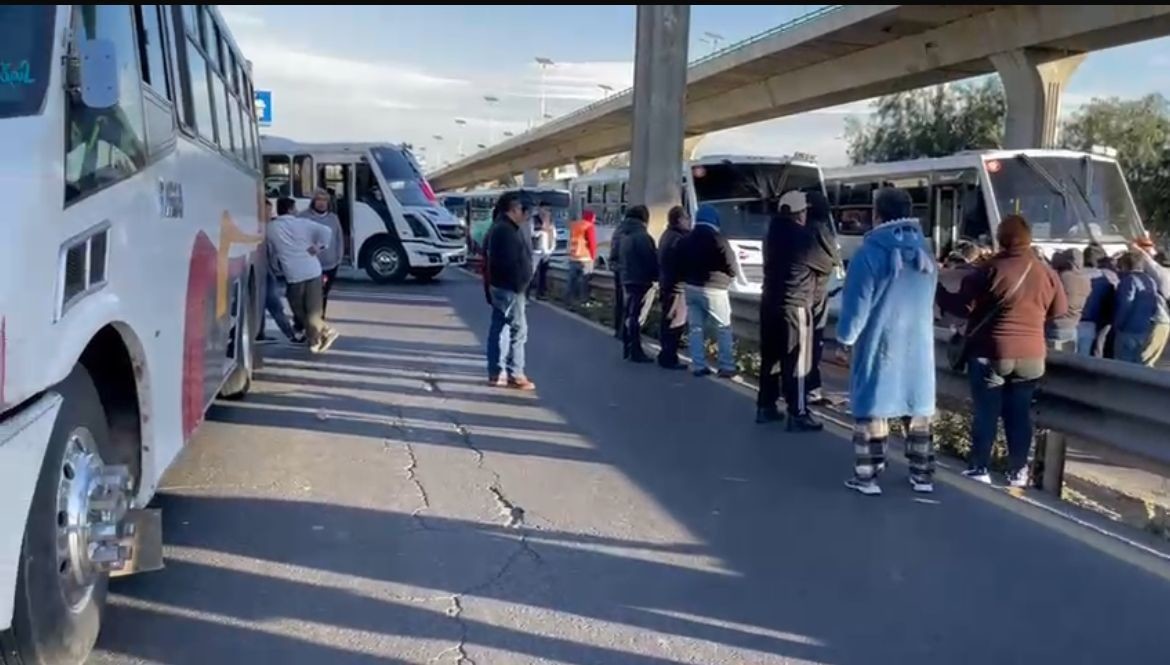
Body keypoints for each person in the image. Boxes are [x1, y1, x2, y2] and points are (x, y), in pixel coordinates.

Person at [937, 214, 1067, 488]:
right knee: (1019, 414)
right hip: (1032, 355)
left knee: (987, 411)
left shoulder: (989, 269)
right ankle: (1018, 472)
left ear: (1001, 239)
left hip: (992, 351)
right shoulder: (1046, 272)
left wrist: (936, 288)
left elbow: (960, 306)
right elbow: (1060, 311)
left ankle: (979, 467)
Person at [837, 188, 939, 495]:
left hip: (880, 341)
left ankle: (868, 475)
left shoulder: (869, 253)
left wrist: (845, 338)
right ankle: (922, 476)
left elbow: (857, 305)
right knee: (917, 406)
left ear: (876, 214)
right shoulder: (926, 252)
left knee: (873, 404)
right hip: (918, 344)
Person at [756, 191, 835, 431]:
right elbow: (828, 263)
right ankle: (798, 412)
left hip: (769, 303)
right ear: (801, 214)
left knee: (770, 358)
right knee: (797, 360)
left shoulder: (771, 233)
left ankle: (766, 406)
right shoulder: (803, 237)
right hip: (795, 305)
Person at [266, 197, 339, 354]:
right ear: (292, 209)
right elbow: (327, 231)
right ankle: (321, 334)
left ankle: (319, 336)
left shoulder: (270, 228)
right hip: (313, 270)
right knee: (312, 310)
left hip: (293, 274)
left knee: (298, 309)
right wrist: (319, 247)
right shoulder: (303, 223)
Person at [482, 191, 536, 390]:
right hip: (510, 289)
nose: (526, 214)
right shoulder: (506, 231)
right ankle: (516, 374)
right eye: (524, 210)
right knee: (517, 332)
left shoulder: (501, 228)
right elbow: (509, 263)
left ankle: (496, 373)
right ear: (514, 209)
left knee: (500, 329)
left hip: (502, 287)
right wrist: (520, 285)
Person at [676, 204, 738, 378]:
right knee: (723, 327)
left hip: (690, 287)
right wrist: (729, 277)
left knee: (695, 328)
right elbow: (731, 265)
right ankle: (726, 366)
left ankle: (698, 365)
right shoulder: (718, 238)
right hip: (715, 288)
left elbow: (678, 262)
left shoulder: (686, 239)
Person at [799, 190, 841, 408]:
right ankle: (811, 389)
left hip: (802, 298)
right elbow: (833, 262)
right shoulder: (824, 234)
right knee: (814, 345)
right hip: (819, 297)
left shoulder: (801, 232)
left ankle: (800, 391)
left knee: (801, 346)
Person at [1113, 249, 1170, 366]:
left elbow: (1125, 305)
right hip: (1144, 330)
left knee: (1122, 365)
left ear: (1125, 265)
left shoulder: (1128, 281)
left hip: (1127, 329)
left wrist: (1117, 324)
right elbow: (1154, 305)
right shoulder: (1150, 281)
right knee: (1140, 364)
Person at [617, 204, 659, 363]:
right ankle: (635, 350)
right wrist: (657, 277)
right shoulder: (642, 236)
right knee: (637, 316)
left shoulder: (624, 234)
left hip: (627, 278)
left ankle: (628, 347)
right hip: (642, 280)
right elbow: (650, 260)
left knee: (631, 313)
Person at [256, 199, 301, 345]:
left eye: (270, 211)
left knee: (265, 303)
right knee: (274, 303)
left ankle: (261, 333)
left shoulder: (268, 227)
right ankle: (290, 334)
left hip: (268, 271)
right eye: (267, 211)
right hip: (265, 271)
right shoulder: (262, 228)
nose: (270, 214)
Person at [300, 189, 344, 317]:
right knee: (310, 293)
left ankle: (320, 317)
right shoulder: (304, 217)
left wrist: (338, 258)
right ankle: (307, 318)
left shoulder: (333, 218)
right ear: (313, 201)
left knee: (323, 292)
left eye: (324, 200)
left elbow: (338, 238)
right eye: (318, 200)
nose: (321, 203)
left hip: (330, 264)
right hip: (309, 263)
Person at [657, 205, 691, 369]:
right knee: (675, 322)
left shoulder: (667, 235)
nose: (689, 221)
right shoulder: (678, 239)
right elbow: (683, 263)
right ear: (679, 220)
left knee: (668, 320)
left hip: (667, 284)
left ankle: (666, 354)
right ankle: (669, 357)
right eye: (686, 218)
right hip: (677, 287)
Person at [1046, 248, 1090, 353]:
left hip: (1055, 325)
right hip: (1073, 325)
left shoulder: (1061, 277)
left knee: (1053, 364)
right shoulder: (1085, 279)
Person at [1082, 244, 1119, 357]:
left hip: (1079, 319)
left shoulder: (1075, 274)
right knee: (1098, 350)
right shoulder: (1109, 276)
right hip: (1103, 320)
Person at [567, 210, 598, 306]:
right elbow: (592, 243)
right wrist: (593, 258)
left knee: (572, 281)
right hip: (585, 258)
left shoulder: (575, 225)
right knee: (585, 281)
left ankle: (570, 301)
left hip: (573, 257)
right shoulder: (589, 226)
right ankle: (583, 301)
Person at [530, 204, 556, 299]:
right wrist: (542, 231)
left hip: (547, 250)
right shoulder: (534, 219)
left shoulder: (550, 221)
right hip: (536, 250)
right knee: (532, 272)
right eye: (544, 209)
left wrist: (552, 248)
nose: (546, 212)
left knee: (543, 272)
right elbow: (531, 233)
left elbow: (553, 235)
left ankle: (541, 293)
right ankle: (526, 293)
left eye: (548, 210)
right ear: (539, 209)